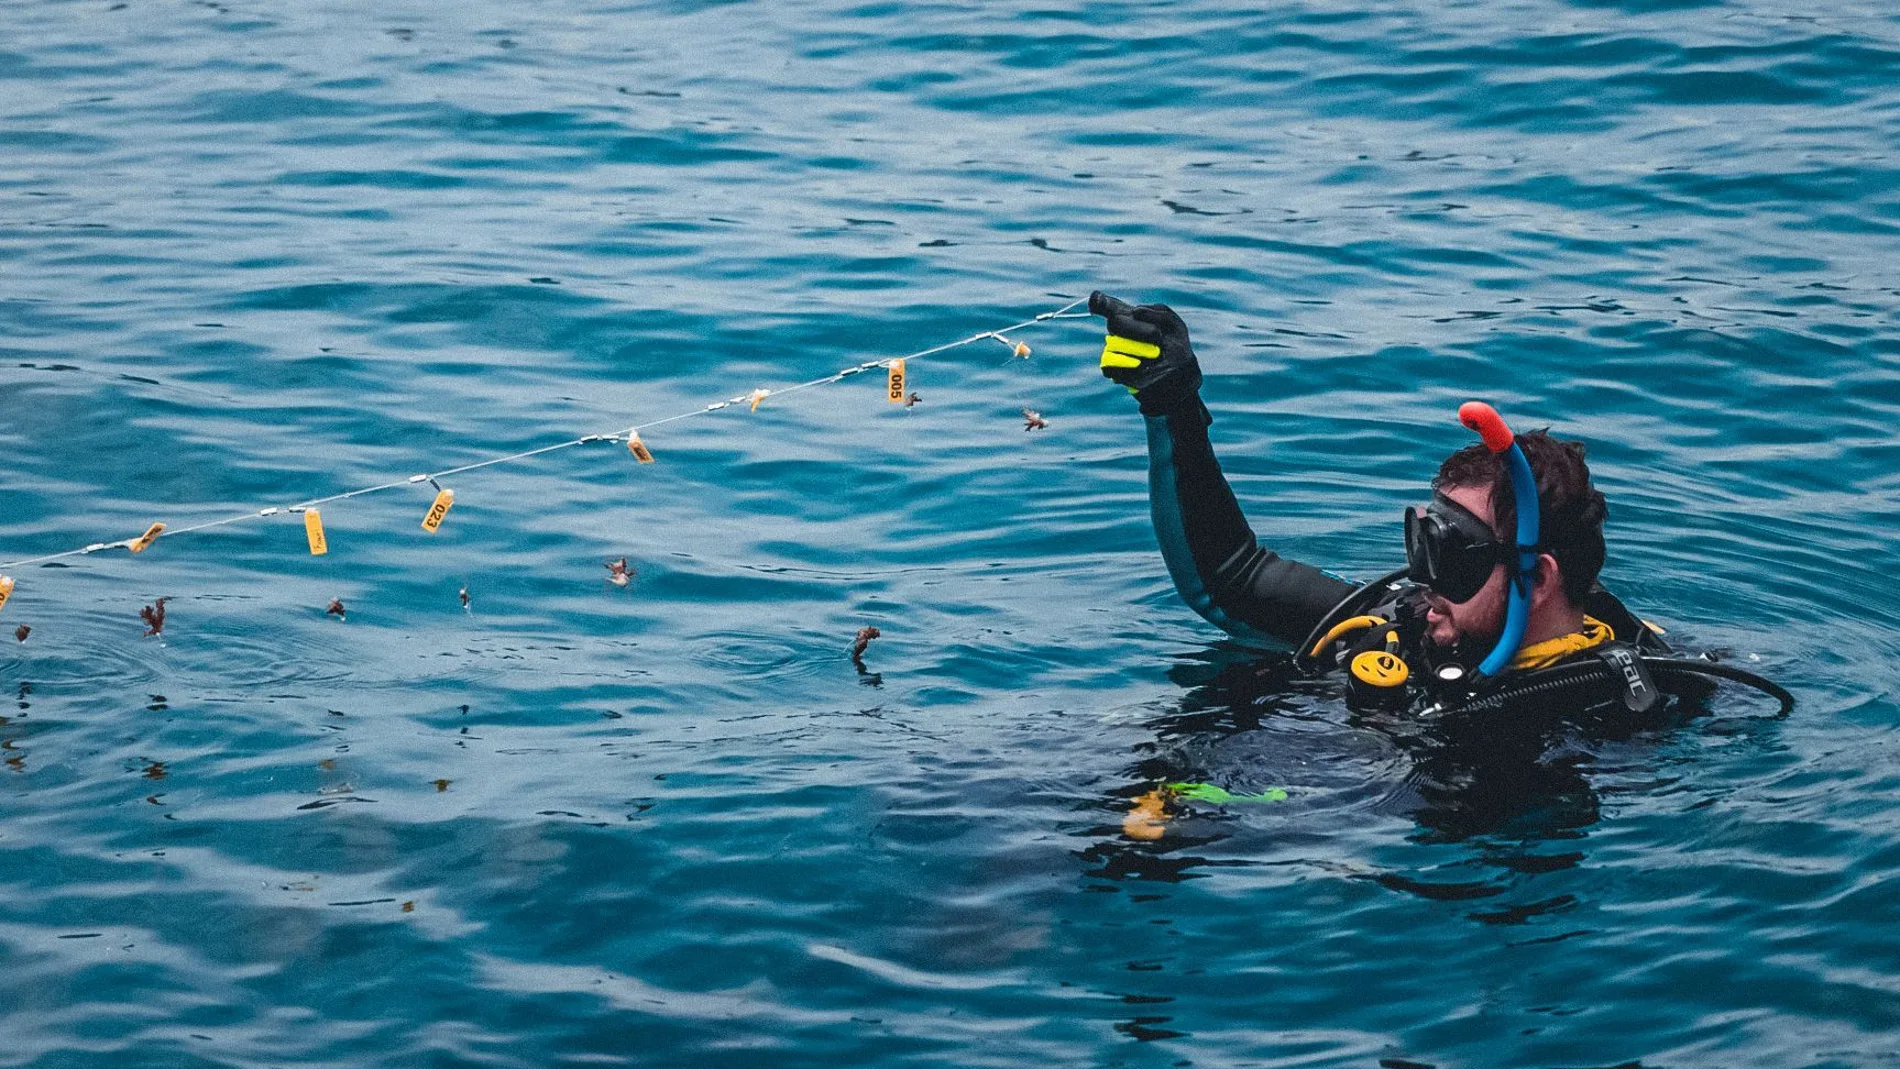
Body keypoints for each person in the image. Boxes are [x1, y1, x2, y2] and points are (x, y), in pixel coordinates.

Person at [1089, 291, 1787, 720]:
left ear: (1536, 578)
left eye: (1452, 553)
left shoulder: (1605, 717)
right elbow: (1230, 573)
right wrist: (1172, 402)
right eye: (1424, 540)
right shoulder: (1402, 621)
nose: (1423, 579)